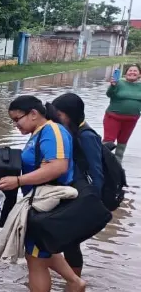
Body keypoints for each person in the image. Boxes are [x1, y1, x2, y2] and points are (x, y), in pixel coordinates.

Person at [0, 95, 87, 292]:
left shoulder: (52, 132)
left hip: (47, 205)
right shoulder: (39, 133)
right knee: (43, 250)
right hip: (38, 203)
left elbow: (57, 168)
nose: (16, 125)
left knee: (35, 260)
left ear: (33, 114)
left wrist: (18, 181)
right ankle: (75, 281)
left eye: (17, 120)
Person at [49, 93, 103, 277]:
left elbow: (97, 172)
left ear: (69, 114)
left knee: (71, 243)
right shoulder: (71, 132)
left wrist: (92, 203)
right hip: (73, 192)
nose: (56, 118)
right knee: (66, 240)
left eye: (59, 115)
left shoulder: (86, 136)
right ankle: (71, 282)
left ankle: (73, 284)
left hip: (83, 196)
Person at [104, 63, 141, 162]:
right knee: (108, 141)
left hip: (131, 120)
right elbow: (109, 94)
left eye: (135, 71)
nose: (132, 72)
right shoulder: (119, 82)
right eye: (130, 70)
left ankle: (117, 166)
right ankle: (103, 163)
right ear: (126, 73)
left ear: (139, 74)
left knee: (122, 144)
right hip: (113, 117)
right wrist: (112, 86)